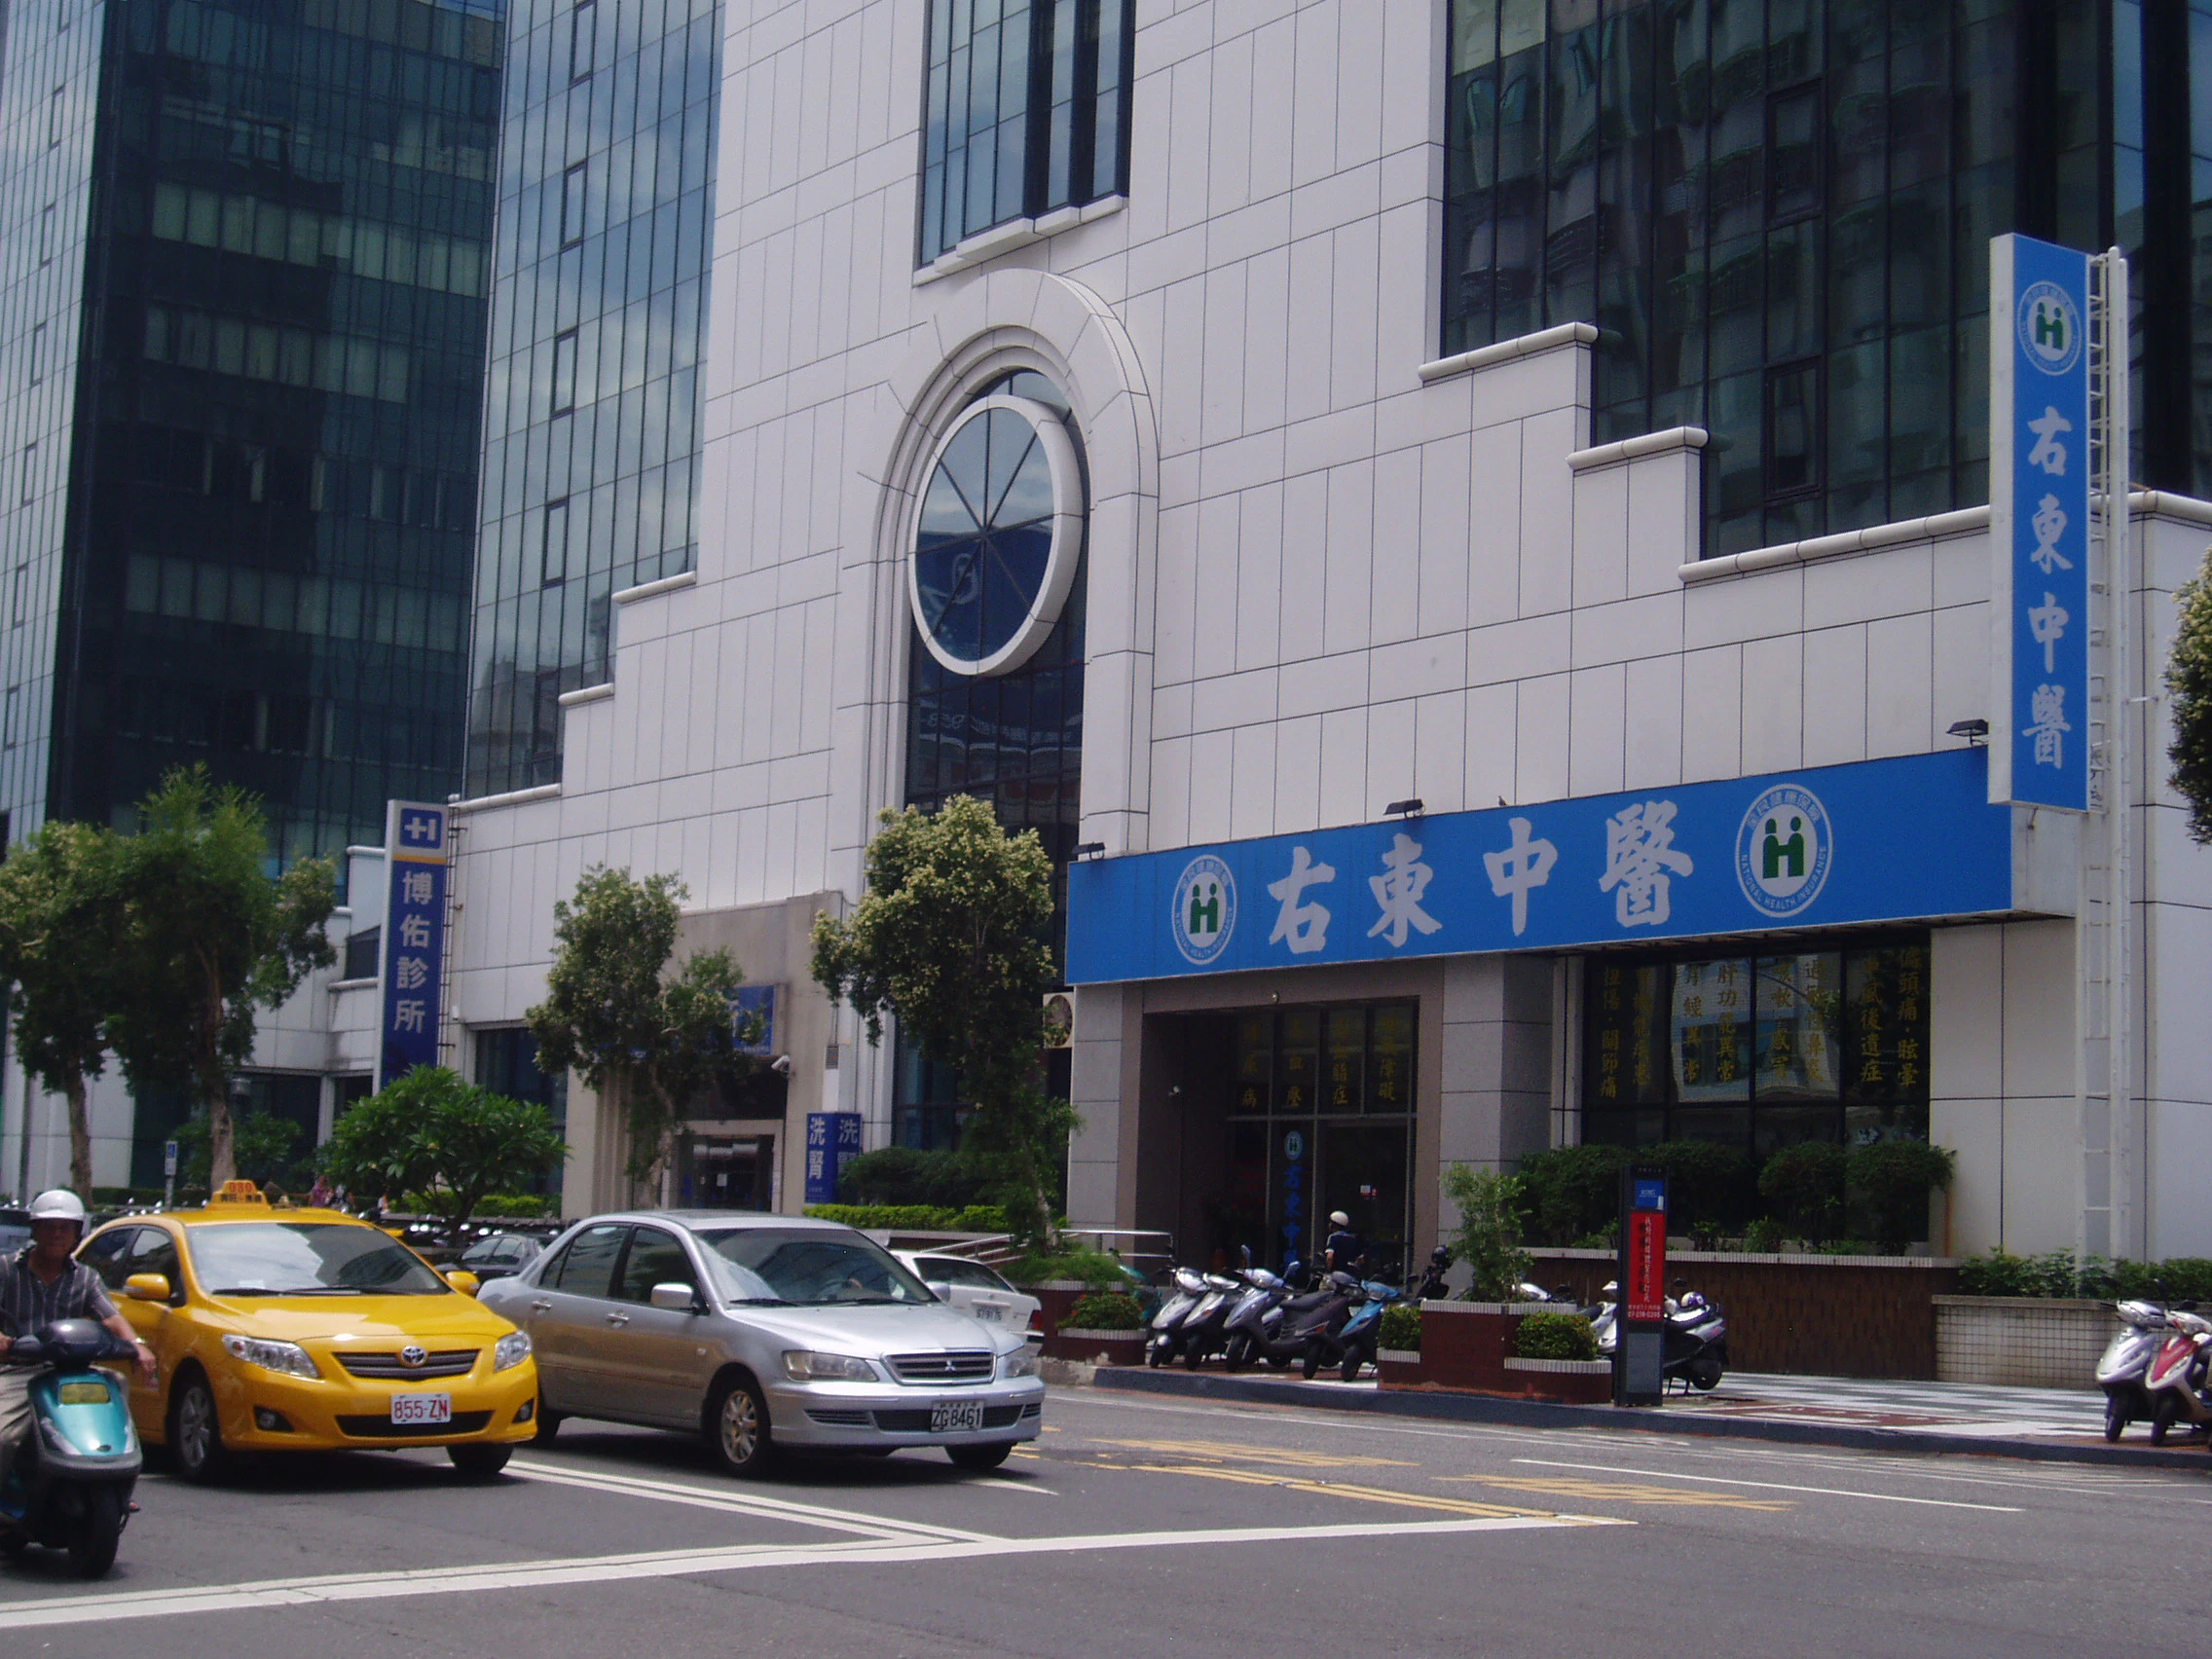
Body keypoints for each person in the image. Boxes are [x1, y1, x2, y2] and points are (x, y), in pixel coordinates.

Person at [0, 1190, 157, 1497]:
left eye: (65, 1228)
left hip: (72, 1373)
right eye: (49, 1226)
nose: (57, 1234)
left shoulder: (86, 1278)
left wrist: (136, 1345)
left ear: (76, 1234)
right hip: (17, 1371)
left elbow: (111, 1318)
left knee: (116, 1384)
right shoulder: (6, 1269)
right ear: (35, 1230)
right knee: (3, 1438)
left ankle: (117, 1489)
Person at [1323, 1210, 1365, 1278]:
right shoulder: (1354, 1239)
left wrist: (1328, 1271)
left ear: (1334, 1225)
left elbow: (1330, 1257)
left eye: (1331, 1222)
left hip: (1337, 1274)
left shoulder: (1333, 1237)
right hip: (1352, 1276)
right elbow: (1361, 1260)